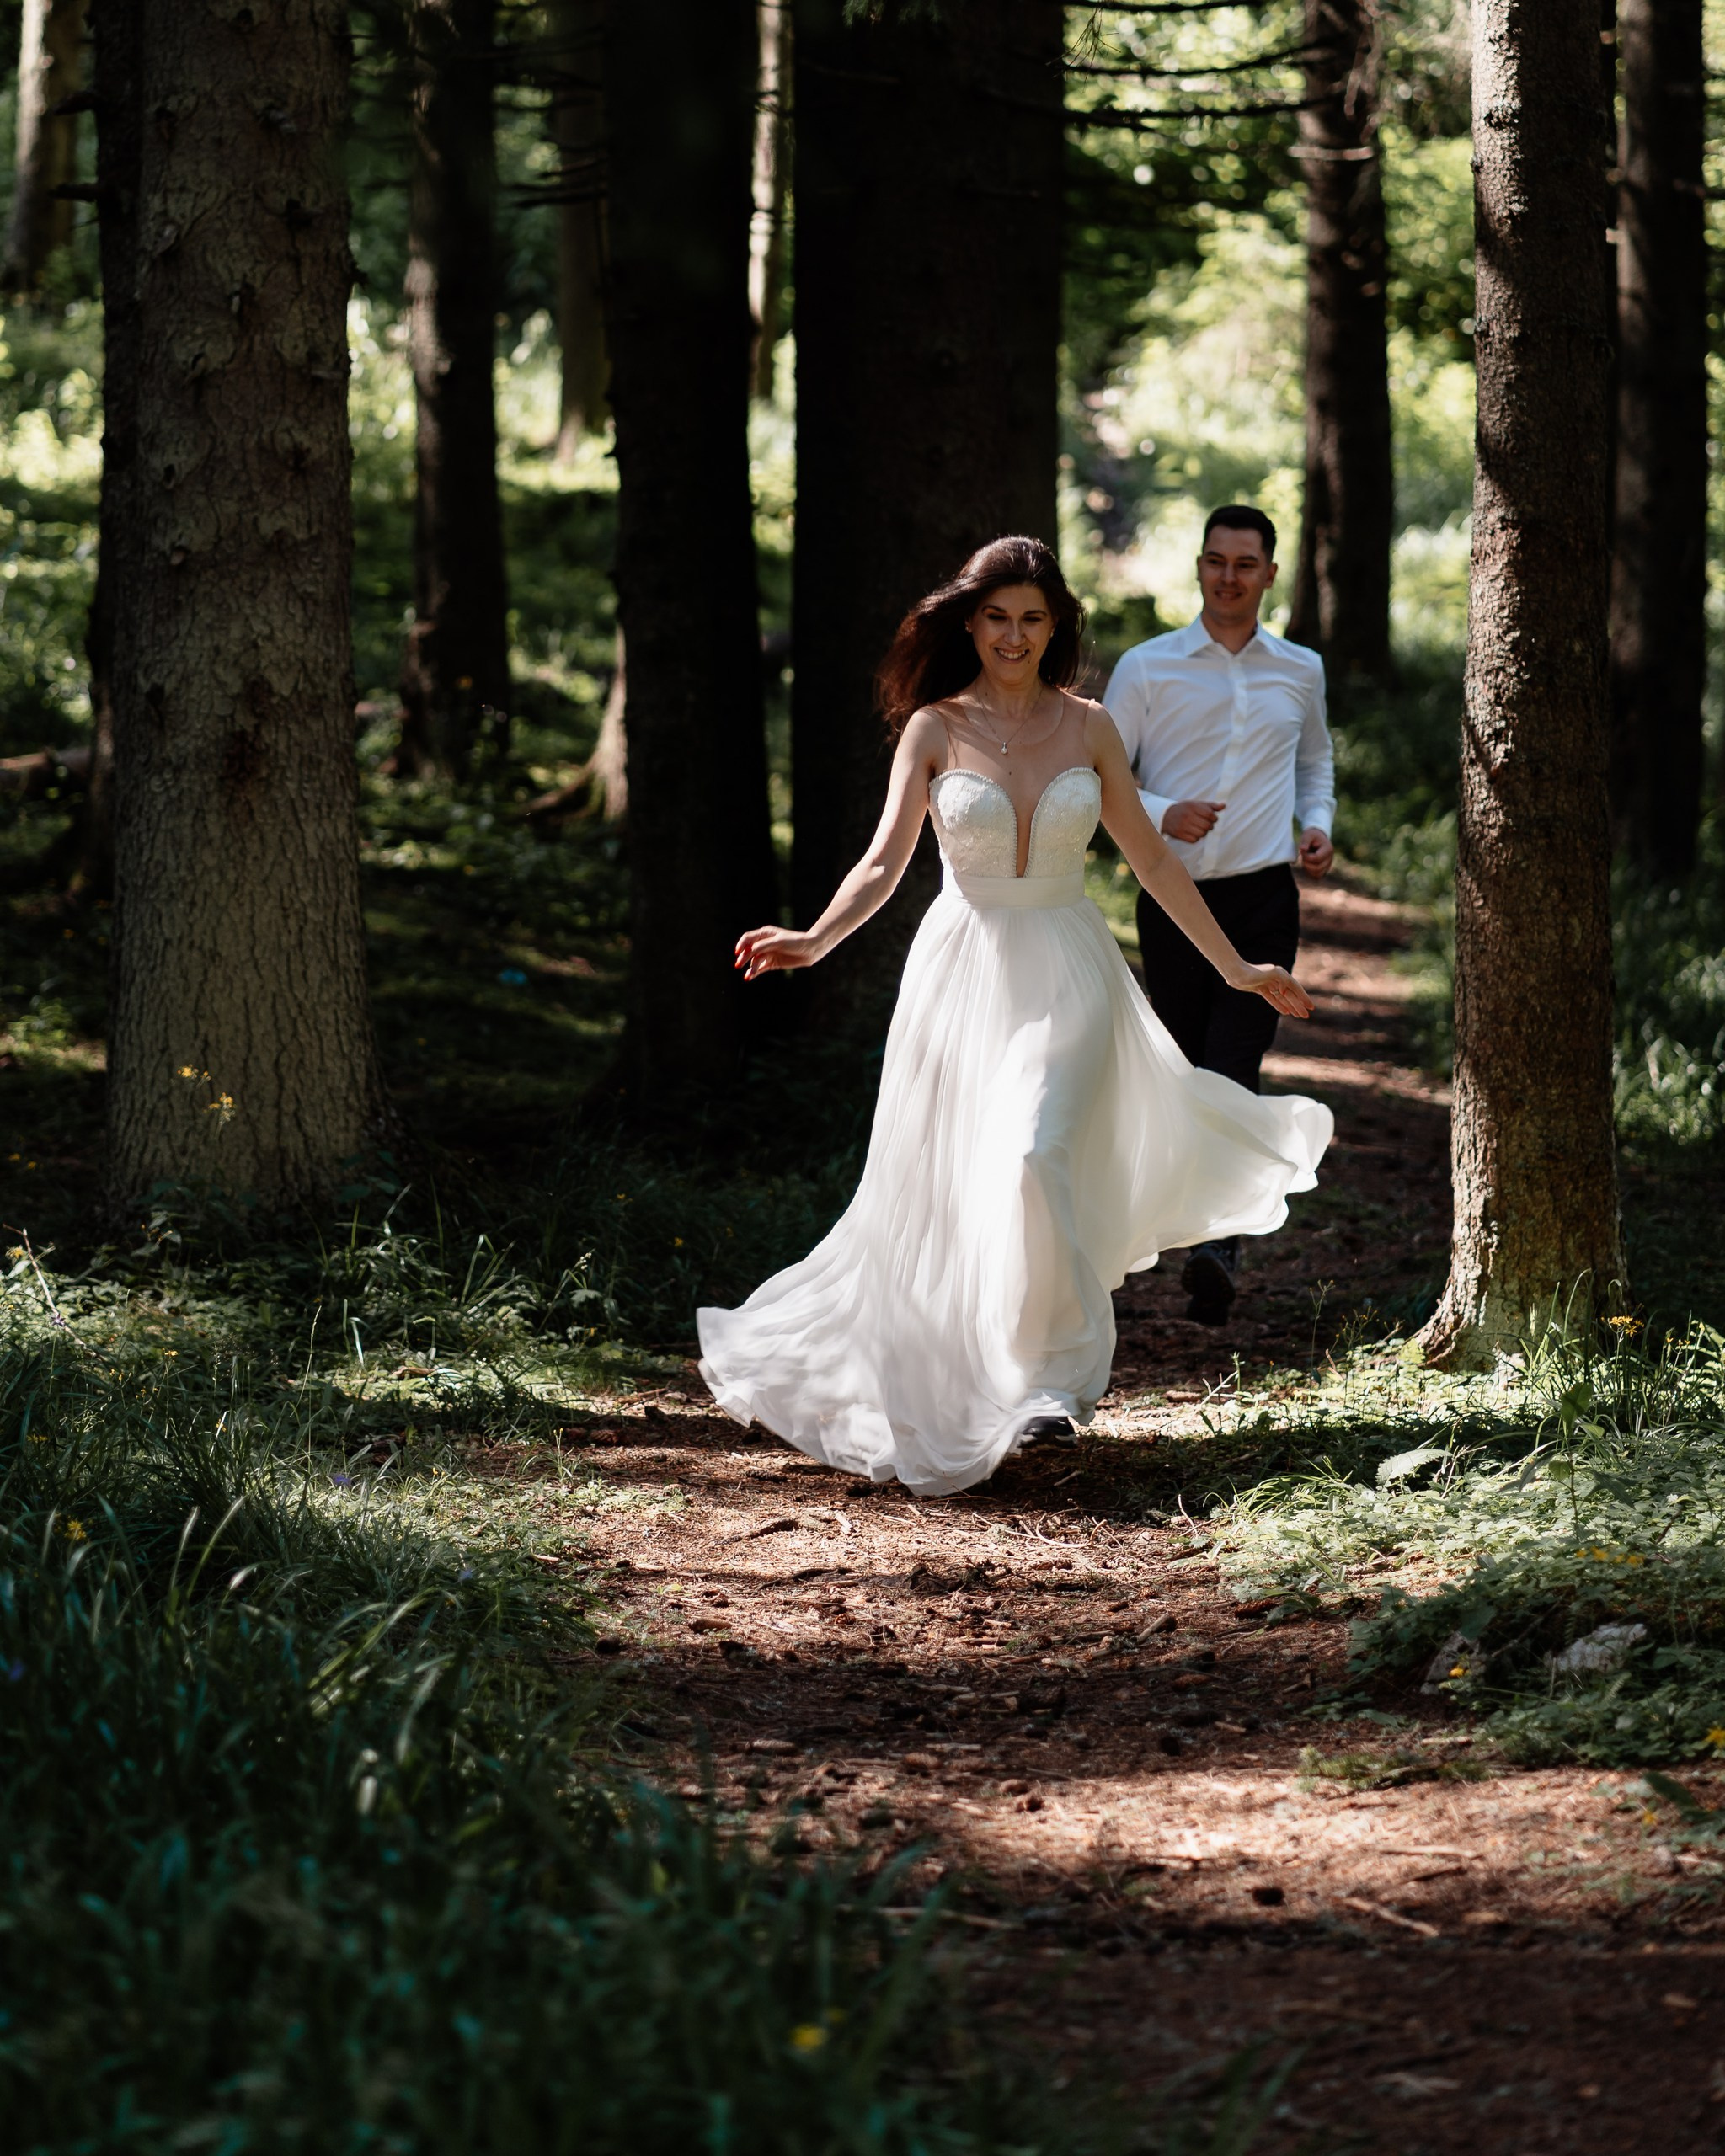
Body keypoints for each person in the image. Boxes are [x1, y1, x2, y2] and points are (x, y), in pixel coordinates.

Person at [697, 536, 1332, 1497]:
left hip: (1069, 967)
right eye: (996, 616)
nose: (1012, 635)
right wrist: (815, 939)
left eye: (1032, 618)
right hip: (963, 970)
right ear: (969, 621)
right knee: (968, 1178)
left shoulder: (1090, 727)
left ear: (1055, 626)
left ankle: (1050, 1383)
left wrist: (1237, 968)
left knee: (1038, 1154)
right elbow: (883, 863)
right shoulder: (933, 728)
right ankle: (970, 1366)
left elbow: (1153, 861)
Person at [1103, 506, 1335, 1327]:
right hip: (1174, 901)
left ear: (1269, 574)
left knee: (1233, 1061)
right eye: (1214, 561)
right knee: (1182, 1066)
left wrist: (1317, 824)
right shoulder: (1146, 667)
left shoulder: (1300, 669)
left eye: (1244, 564)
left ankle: (1218, 1246)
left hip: (1264, 898)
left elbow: (1314, 760)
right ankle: (1174, 1220)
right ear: (1198, 567)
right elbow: (1099, 777)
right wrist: (1161, 811)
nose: (1227, 577)